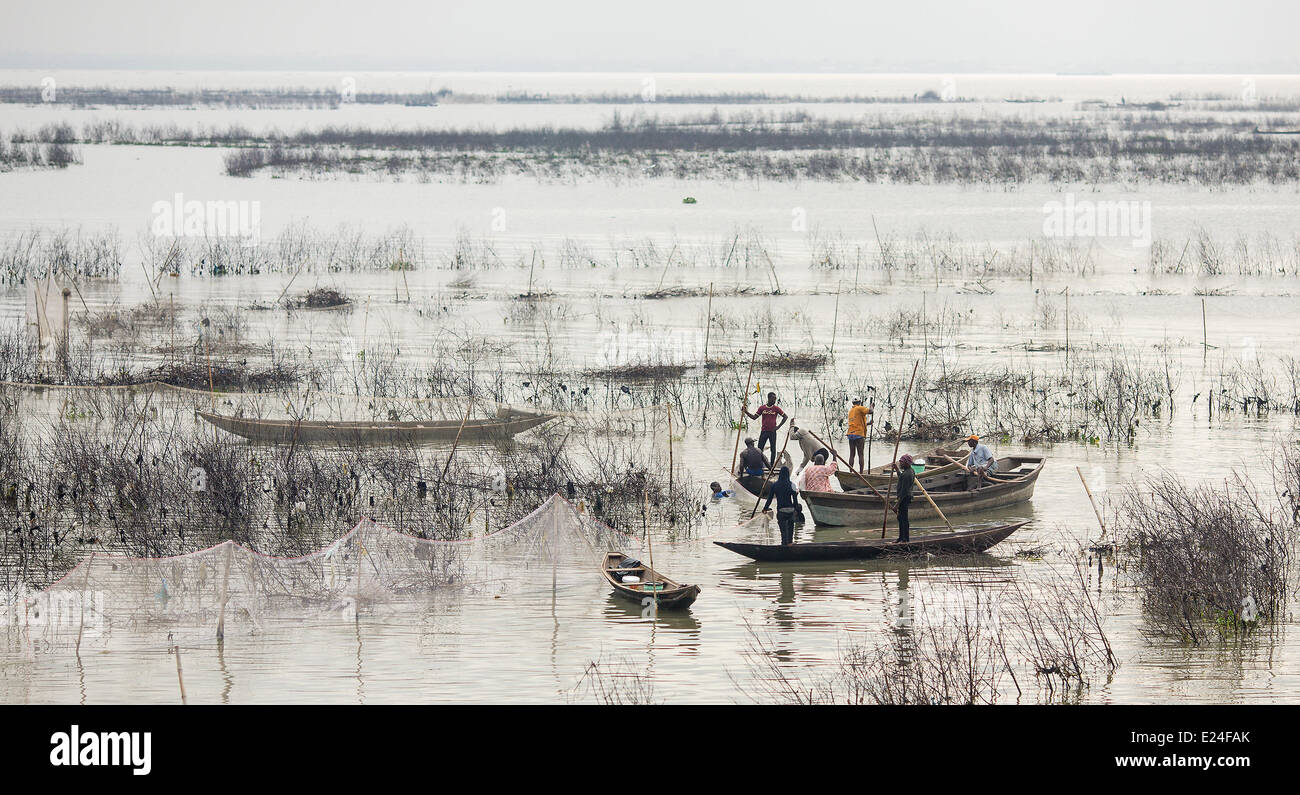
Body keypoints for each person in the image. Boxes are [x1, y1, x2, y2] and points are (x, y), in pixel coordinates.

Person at [744, 392, 787, 466]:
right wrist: (746, 412)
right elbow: (754, 417)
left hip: (772, 432)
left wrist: (778, 427)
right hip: (764, 431)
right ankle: (758, 463)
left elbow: (785, 417)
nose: (774, 400)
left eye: (775, 399)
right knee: (759, 449)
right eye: (773, 399)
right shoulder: (762, 408)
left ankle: (772, 465)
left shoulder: (776, 408)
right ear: (769, 398)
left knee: (773, 449)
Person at [761, 466, 800, 545]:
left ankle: (784, 546)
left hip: (781, 512)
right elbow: (795, 501)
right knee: (790, 535)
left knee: (783, 535)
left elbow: (769, 499)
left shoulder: (774, 485)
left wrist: (765, 508)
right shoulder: (792, 485)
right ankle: (790, 545)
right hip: (791, 511)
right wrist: (795, 509)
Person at [846, 398, 873, 472]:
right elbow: (871, 411)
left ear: (853, 403)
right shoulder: (859, 408)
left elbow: (857, 424)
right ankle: (861, 473)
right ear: (859, 402)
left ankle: (850, 472)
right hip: (859, 434)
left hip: (850, 434)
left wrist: (868, 423)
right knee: (861, 454)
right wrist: (871, 406)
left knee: (852, 454)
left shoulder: (851, 411)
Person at [895, 453, 916, 542]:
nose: (900, 464)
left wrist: (897, 504)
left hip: (905, 498)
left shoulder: (908, 474)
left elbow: (903, 492)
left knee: (904, 519)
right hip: (903, 498)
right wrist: (896, 470)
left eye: (902, 462)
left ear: (907, 463)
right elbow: (901, 478)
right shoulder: (907, 472)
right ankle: (901, 537)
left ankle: (905, 539)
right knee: (900, 518)